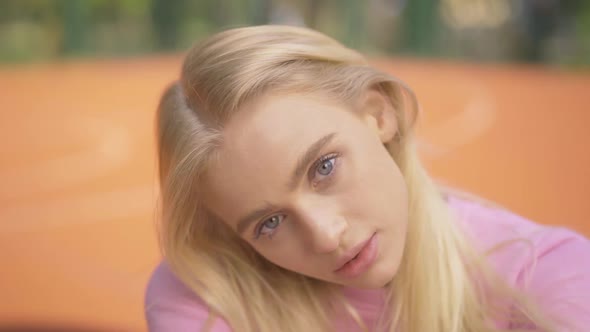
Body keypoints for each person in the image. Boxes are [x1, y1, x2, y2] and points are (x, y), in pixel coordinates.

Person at [144, 25, 590, 332]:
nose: (325, 235)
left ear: (379, 114)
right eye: (270, 224)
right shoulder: (206, 294)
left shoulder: (548, 276)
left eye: (324, 167)